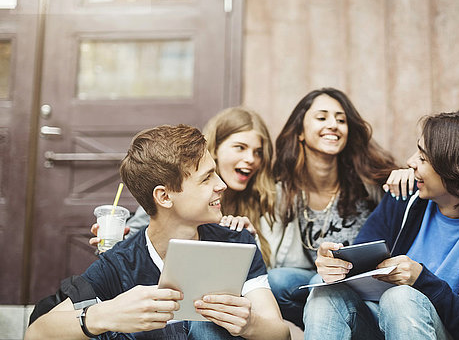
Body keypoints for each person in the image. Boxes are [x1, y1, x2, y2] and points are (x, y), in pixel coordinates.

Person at [25, 124, 290, 340]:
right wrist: (105, 314)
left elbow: (280, 333)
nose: (221, 185)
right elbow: (36, 333)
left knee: (207, 329)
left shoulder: (237, 242)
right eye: (206, 178)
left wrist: (250, 324)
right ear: (164, 197)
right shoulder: (121, 263)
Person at [303, 110, 459, 340]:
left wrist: (422, 280)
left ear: (456, 171)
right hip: (381, 323)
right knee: (324, 289)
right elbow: (362, 261)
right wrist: (337, 264)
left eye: (423, 157)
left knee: (400, 297)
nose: (410, 162)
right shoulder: (405, 197)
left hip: (439, 330)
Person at [266, 88, 399, 329]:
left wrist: (404, 176)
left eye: (341, 120)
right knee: (277, 280)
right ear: (300, 133)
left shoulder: (369, 183)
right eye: (322, 117)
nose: (333, 125)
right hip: (318, 278)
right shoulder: (285, 192)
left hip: (370, 286)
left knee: (323, 281)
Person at [90, 107, 278, 267]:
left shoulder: (265, 196)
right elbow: (138, 241)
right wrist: (118, 242)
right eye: (240, 147)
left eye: (258, 152)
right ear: (216, 148)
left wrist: (250, 241)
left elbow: (264, 273)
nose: (251, 159)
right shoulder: (175, 189)